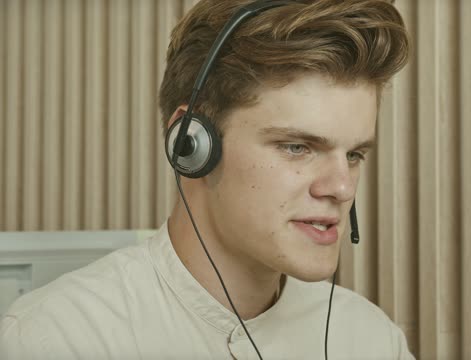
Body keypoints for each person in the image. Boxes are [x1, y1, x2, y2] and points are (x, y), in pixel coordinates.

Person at [0, 0, 411, 358]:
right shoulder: (55, 339)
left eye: (354, 154)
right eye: (297, 147)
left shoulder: (372, 341)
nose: (341, 188)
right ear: (191, 144)